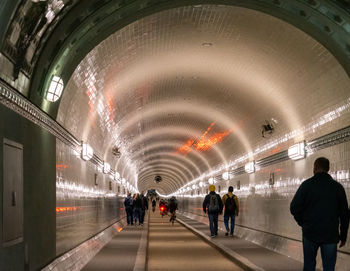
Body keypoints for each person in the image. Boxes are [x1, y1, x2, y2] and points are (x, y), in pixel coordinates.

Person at [290, 157, 349, 271]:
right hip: (330, 235)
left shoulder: (306, 185)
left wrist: (302, 222)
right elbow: (344, 214)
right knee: (329, 267)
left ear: (315, 168)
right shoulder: (337, 187)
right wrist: (343, 235)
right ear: (328, 168)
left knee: (309, 265)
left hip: (310, 233)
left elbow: (294, 208)